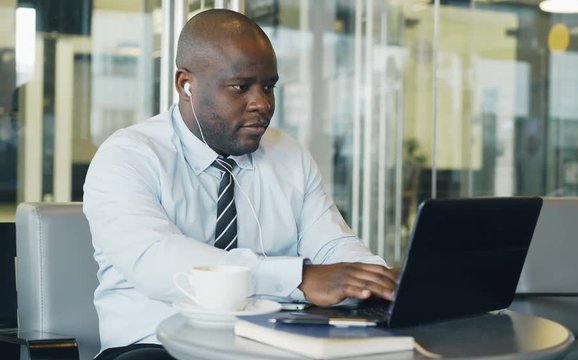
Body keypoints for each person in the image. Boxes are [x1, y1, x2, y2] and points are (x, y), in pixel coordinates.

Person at [84, 9, 397, 360]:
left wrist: (372, 279)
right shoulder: (129, 156)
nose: (262, 103)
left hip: (270, 341)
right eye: (240, 87)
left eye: (268, 86)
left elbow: (332, 244)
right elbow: (157, 260)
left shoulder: (289, 155)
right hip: (155, 345)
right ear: (186, 84)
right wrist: (299, 278)